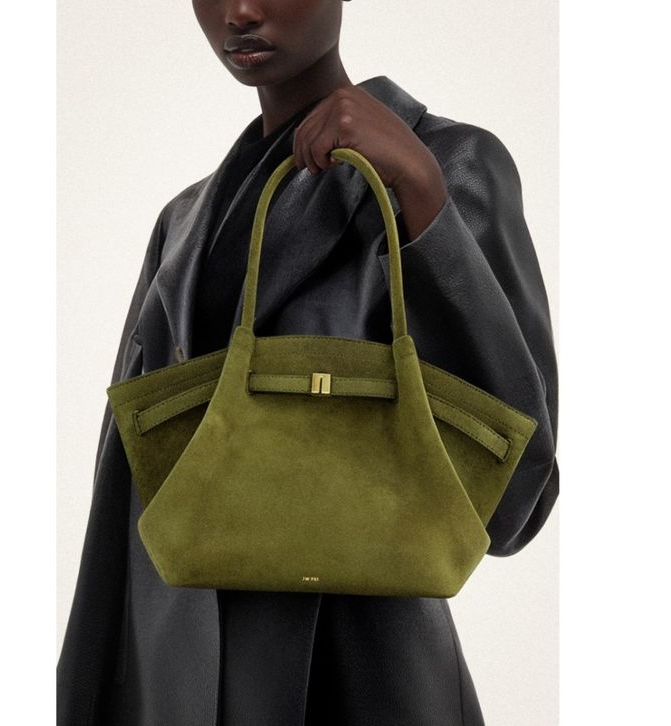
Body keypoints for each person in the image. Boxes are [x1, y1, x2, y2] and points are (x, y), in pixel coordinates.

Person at [57, 1, 559, 724]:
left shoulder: (447, 166)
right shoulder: (181, 226)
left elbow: (518, 504)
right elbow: (119, 513)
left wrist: (421, 195)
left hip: (363, 683)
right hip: (175, 687)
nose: (240, 11)